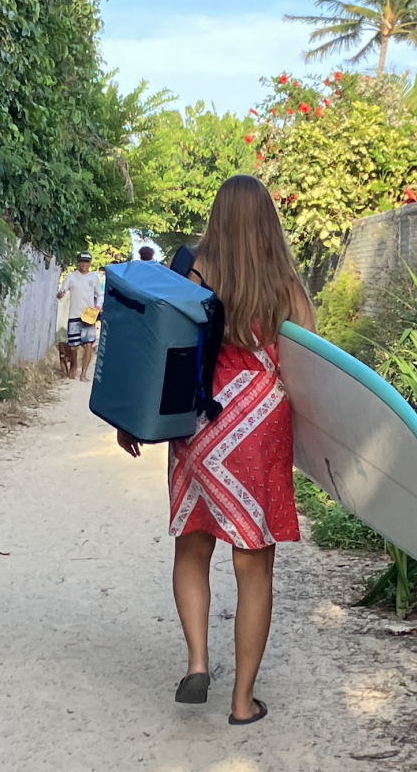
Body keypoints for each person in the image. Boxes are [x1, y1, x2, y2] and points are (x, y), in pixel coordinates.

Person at [116, 175, 316, 725]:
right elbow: (311, 375)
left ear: (217, 216)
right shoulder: (287, 287)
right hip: (258, 426)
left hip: (199, 423)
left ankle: (198, 662)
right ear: (268, 220)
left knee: (192, 547)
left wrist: (133, 419)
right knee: (254, 567)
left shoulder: (191, 274)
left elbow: (159, 349)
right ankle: (241, 702)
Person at [57, 251, 103, 382]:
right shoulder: (71, 277)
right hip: (74, 315)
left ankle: (83, 373)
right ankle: (74, 365)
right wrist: (60, 294)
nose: (84, 264)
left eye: (86, 262)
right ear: (79, 262)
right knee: (73, 346)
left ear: (89, 263)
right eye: (82, 261)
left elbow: (100, 294)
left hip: (88, 315)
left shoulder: (93, 277)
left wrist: (98, 306)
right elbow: (62, 291)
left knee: (88, 345)